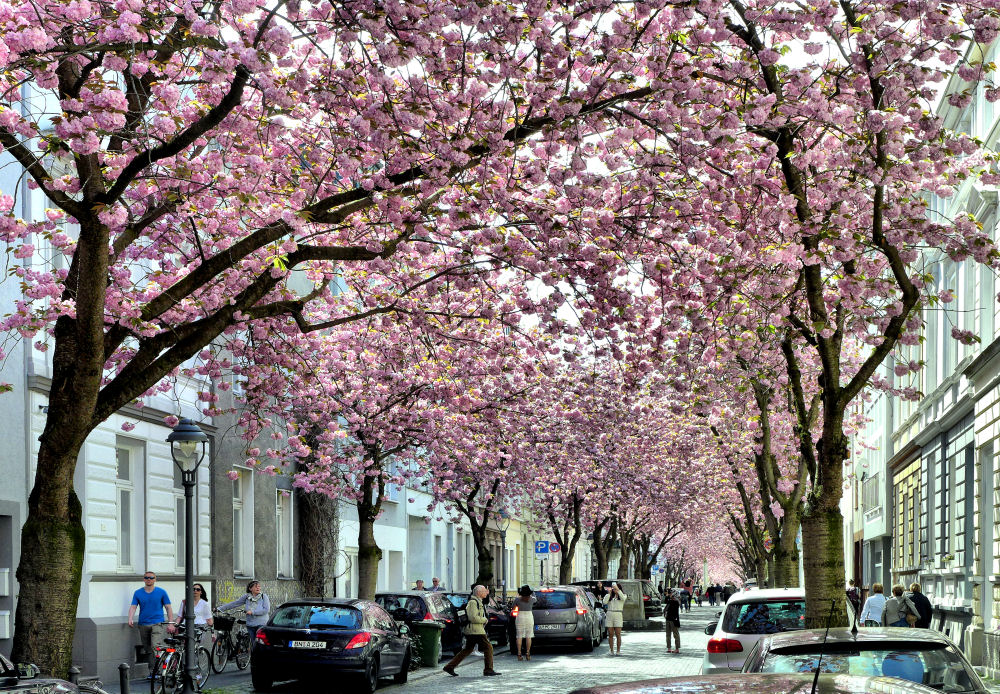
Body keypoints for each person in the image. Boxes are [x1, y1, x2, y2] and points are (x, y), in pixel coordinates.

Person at [442, 584, 501, 677]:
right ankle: (488, 669)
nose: (486, 592)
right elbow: (473, 617)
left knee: (468, 649)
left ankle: (449, 667)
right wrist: (484, 620)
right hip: (475, 630)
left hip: (474, 630)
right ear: (479, 593)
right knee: (488, 647)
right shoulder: (473, 602)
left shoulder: (478, 601)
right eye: (484, 591)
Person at [128, 571, 173, 674]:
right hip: (143, 624)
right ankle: (153, 672)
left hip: (158, 623)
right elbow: (133, 606)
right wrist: (130, 618)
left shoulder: (161, 592)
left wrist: (170, 623)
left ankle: (161, 668)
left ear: (155, 580)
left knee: (155, 645)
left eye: (151, 578)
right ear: (144, 579)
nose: (149, 579)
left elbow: (168, 608)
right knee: (148, 649)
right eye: (147, 577)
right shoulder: (138, 593)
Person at [169, 583, 213, 649]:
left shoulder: (204, 604)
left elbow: (209, 620)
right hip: (185, 626)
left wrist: (211, 630)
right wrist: (175, 625)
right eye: (193, 589)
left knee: (194, 648)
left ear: (201, 592)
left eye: (198, 589)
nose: (195, 591)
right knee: (184, 647)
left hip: (198, 627)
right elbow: (180, 616)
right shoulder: (185, 602)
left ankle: (194, 658)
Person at [602, 582, 627, 656]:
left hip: (618, 614)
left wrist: (618, 591)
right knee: (610, 633)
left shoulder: (623, 595)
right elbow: (604, 602)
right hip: (610, 614)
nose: (614, 590)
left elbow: (623, 598)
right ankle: (611, 650)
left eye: (616, 588)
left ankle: (618, 650)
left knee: (618, 633)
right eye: (614, 589)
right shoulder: (609, 595)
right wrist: (609, 593)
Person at [512, 585, 537, 660]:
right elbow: (536, 599)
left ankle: (519, 654)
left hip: (520, 616)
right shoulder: (532, 599)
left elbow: (513, 607)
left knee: (519, 636)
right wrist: (532, 593)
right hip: (529, 616)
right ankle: (528, 653)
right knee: (528, 636)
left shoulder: (517, 599)